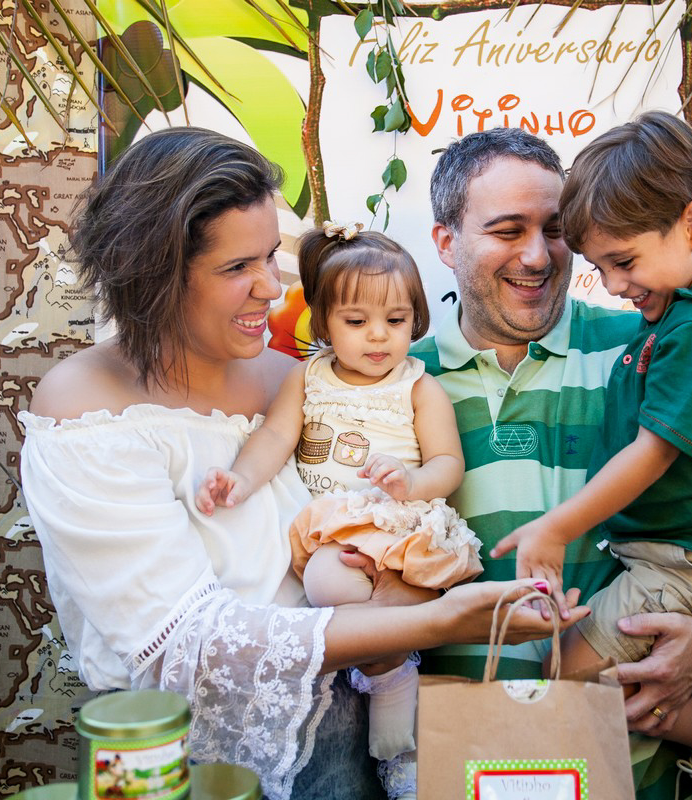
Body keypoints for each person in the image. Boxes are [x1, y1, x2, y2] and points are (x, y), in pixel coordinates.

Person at [16, 127, 582, 800]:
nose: (270, 287)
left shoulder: (298, 376)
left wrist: (408, 589)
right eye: (237, 268)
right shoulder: (86, 407)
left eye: (269, 258)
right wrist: (440, 620)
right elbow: (182, 645)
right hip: (191, 767)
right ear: (155, 272)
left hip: (370, 738)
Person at [413, 126, 692, 799]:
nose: (537, 256)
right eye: (507, 230)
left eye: (555, 230)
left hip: (629, 768)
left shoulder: (647, 341)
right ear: (446, 241)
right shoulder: (394, 378)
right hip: (460, 760)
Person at [195, 223, 483, 800]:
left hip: (398, 525)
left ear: (415, 319)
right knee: (329, 580)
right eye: (357, 322)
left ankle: (392, 686)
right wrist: (240, 478)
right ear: (324, 322)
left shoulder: (419, 388)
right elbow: (276, 437)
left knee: (335, 584)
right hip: (334, 528)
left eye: (396, 322)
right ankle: (394, 683)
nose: (379, 337)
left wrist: (410, 480)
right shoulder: (307, 378)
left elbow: (449, 462)